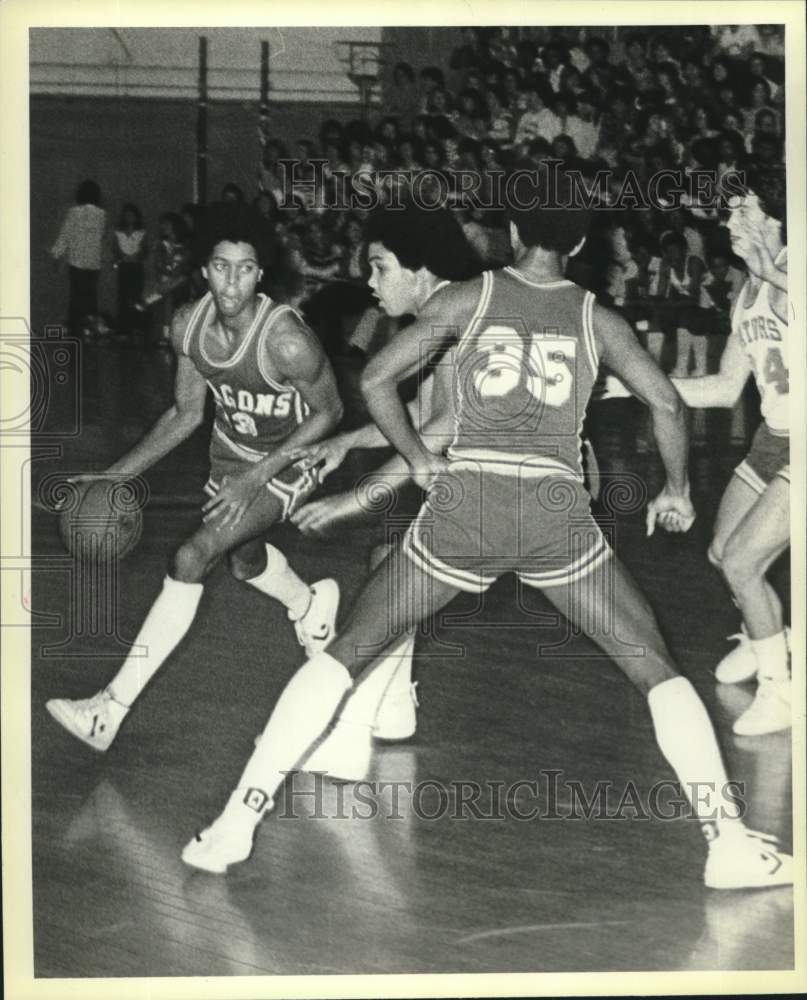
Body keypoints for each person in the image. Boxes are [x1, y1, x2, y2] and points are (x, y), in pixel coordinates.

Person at [180, 170, 792, 891]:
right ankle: (724, 843)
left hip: (464, 508)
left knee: (344, 654)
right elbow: (665, 404)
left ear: (513, 233)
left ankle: (235, 824)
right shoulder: (600, 319)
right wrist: (678, 489)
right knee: (656, 670)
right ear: (582, 239)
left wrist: (415, 460)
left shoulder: (467, 299)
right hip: (554, 515)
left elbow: (375, 379)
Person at [45, 203, 344, 752]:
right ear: (204, 269)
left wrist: (258, 477)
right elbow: (185, 414)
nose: (233, 281)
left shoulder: (287, 340)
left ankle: (107, 712)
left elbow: (331, 413)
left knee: (192, 556)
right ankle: (309, 605)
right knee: (242, 558)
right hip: (231, 455)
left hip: (289, 460)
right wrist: (113, 477)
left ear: (261, 272)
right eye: (222, 266)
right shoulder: (188, 324)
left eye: (246, 268)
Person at [286, 203, 484, 780]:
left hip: (529, 481)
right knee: (389, 562)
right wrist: (348, 442)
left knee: (395, 577)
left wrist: (358, 496)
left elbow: (443, 427)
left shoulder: (460, 313)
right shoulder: (446, 308)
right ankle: (392, 706)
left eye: (379, 267)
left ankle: (347, 741)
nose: (370, 283)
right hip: (497, 470)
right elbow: (427, 412)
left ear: (421, 269)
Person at [671, 170, 790, 736]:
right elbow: (722, 388)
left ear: (778, 220)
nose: (730, 223)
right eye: (729, 214)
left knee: (744, 562)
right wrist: (640, 386)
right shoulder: (747, 292)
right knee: (723, 554)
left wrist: (774, 269)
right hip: (774, 436)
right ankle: (773, 636)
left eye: (744, 212)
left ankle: (781, 689)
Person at [50, 179, 108, 336]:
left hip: (77, 260)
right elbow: (101, 237)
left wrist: (56, 255)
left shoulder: (74, 212)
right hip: (93, 262)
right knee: (91, 296)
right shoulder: (102, 215)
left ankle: (74, 328)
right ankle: (90, 328)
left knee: (76, 296)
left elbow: (65, 235)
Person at [112, 202, 148, 338]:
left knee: (136, 296)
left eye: (132, 215)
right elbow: (115, 249)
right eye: (127, 215)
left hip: (136, 267)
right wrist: (122, 257)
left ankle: (137, 326)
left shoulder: (141, 233)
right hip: (124, 267)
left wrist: (136, 256)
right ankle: (123, 328)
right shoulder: (118, 233)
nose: (129, 218)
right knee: (123, 296)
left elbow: (145, 250)